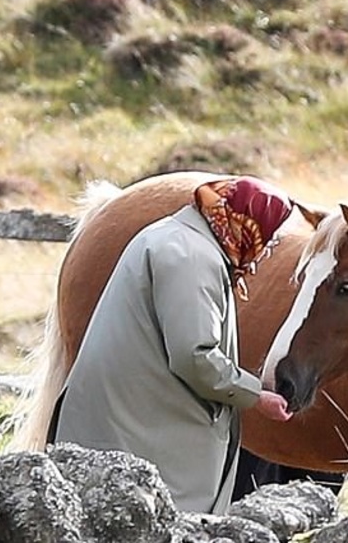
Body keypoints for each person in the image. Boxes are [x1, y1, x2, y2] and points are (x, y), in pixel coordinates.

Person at [48, 175, 295, 515]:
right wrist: (256, 395)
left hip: (125, 423)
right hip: (139, 434)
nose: (266, 248)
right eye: (267, 235)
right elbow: (195, 357)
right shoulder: (193, 258)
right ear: (246, 224)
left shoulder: (179, 237)